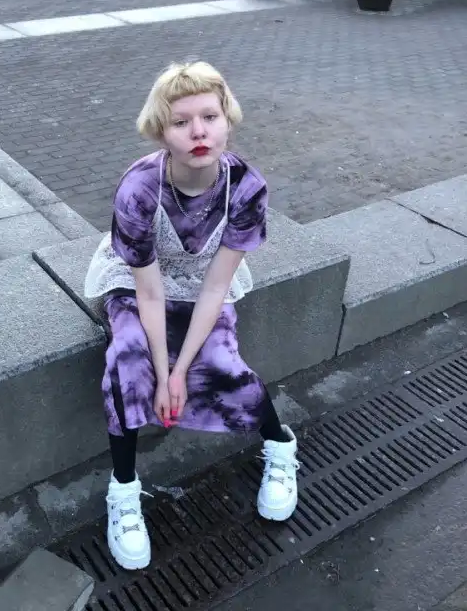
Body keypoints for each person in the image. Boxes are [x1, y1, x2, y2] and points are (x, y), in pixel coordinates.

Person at [84, 61, 299, 571]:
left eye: (209, 116)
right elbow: (149, 291)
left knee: (222, 361)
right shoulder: (139, 187)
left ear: (228, 120)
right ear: (161, 131)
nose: (198, 132)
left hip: (205, 280)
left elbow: (217, 286)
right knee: (128, 360)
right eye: (181, 122)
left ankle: (280, 446)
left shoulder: (246, 187)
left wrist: (180, 372)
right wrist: (163, 373)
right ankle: (123, 491)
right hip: (139, 280)